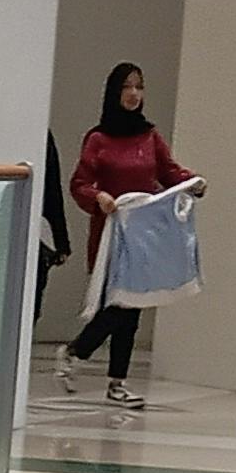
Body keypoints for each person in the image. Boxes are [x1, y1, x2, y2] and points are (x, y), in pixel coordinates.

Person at [62, 65, 189, 411]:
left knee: (132, 310)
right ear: (114, 93)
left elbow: (169, 172)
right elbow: (79, 184)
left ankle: (116, 382)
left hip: (143, 237)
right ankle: (77, 351)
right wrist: (98, 198)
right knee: (118, 305)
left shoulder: (150, 137)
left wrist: (192, 182)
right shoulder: (98, 139)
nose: (134, 94)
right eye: (127, 87)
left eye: (139, 87)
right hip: (110, 235)